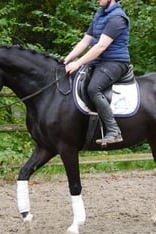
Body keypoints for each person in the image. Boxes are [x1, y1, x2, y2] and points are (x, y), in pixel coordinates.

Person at [64, 0, 130, 145]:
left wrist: (78, 63)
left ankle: (114, 131)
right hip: (99, 62)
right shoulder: (100, 15)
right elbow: (85, 42)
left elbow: (101, 46)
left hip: (116, 62)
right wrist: (67, 59)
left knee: (94, 88)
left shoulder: (117, 18)